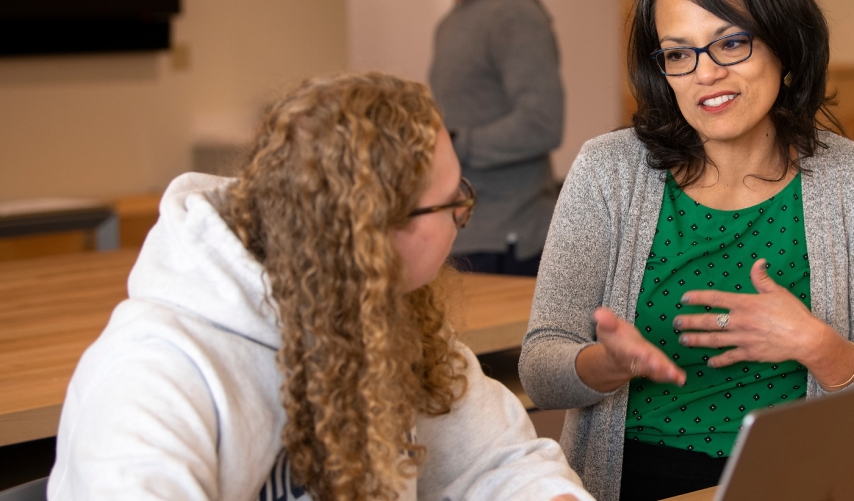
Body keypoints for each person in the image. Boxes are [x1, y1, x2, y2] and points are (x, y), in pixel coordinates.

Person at [48, 73, 592, 501]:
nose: (463, 212)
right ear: (371, 229)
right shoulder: (154, 374)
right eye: (452, 201)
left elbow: (494, 461)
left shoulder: (383, 314)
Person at [519, 0, 854, 501]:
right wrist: (604, 364)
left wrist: (818, 347)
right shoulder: (608, 170)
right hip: (636, 480)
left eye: (731, 42)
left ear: (787, 45)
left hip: (800, 480)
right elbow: (540, 368)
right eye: (679, 53)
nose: (706, 72)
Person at [391, 0, 565, 276]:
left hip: (509, 243)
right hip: (466, 235)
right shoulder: (455, 21)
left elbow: (541, 124)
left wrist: (449, 145)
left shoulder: (513, 13)